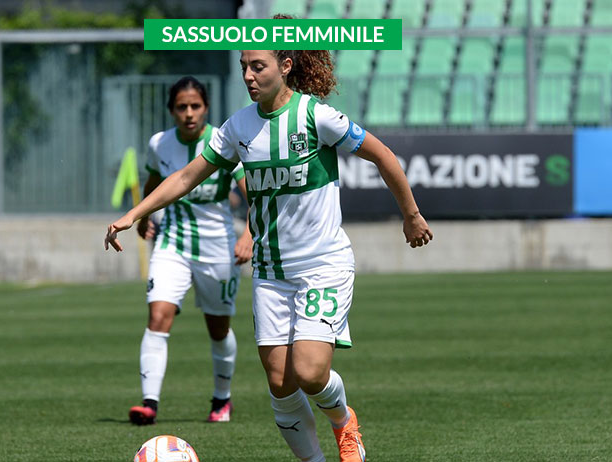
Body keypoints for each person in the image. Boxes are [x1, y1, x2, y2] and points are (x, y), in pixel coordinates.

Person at [106, 47, 433, 461]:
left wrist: (411, 215)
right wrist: (132, 215)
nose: (248, 75)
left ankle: (343, 422)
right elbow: (187, 177)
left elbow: (382, 155)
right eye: (244, 67)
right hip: (270, 272)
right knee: (280, 383)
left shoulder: (316, 116)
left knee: (309, 372)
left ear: (285, 66)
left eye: (257, 66)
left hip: (321, 265)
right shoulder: (237, 126)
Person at [126, 76, 253, 425]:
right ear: (171, 111)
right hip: (172, 243)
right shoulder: (159, 144)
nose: (189, 113)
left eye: (195, 106)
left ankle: (221, 399)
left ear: (206, 108)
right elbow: (154, 182)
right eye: (181, 107)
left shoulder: (223, 140)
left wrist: (248, 234)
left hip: (218, 247)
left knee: (218, 329)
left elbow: (253, 194)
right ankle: (149, 404)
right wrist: (144, 217)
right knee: (158, 316)